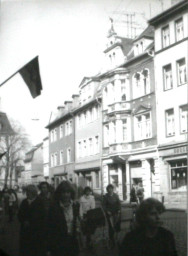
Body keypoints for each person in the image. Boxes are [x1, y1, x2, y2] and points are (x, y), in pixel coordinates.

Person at [47, 180, 80, 256]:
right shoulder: (53, 208)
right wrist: (48, 248)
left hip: (72, 243)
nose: (66, 195)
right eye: (63, 192)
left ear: (71, 193)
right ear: (59, 194)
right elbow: (49, 228)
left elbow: (76, 223)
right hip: (58, 244)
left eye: (68, 192)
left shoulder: (75, 206)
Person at [18, 184, 45, 256]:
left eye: (28, 191)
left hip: (36, 233)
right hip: (25, 232)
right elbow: (19, 215)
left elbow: (42, 217)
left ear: (33, 193)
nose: (27, 193)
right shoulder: (24, 202)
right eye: (27, 191)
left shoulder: (40, 202)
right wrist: (23, 220)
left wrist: (32, 222)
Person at [102, 184, 121, 248]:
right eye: (109, 189)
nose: (110, 190)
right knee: (111, 227)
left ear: (113, 189)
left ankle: (117, 239)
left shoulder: (116, 195)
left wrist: (119, 210)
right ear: (107, 190)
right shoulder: (105, 196)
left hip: (116, 213)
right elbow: (103, 205)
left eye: (111, 188)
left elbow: (119, 203)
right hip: (109, 214)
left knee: (117, 226)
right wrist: (107, 211)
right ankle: (112, 240)